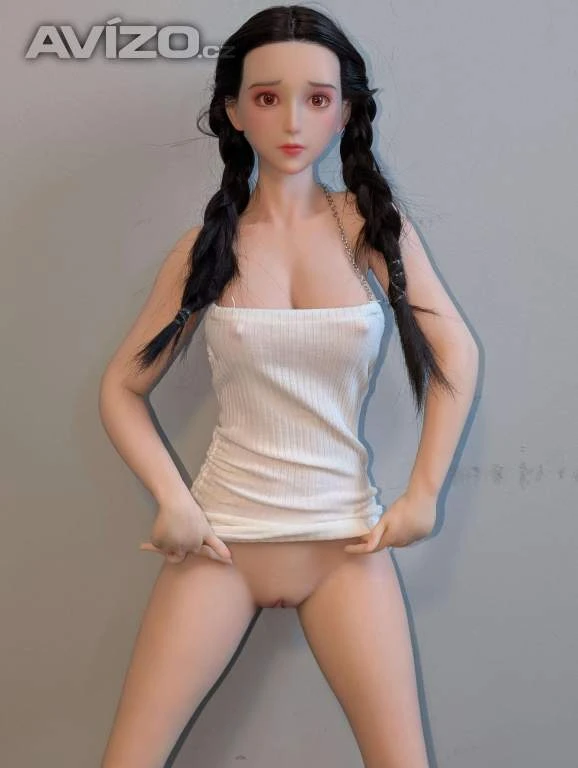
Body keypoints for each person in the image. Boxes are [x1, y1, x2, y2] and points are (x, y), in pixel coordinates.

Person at [98, 5, 479, 767]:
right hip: (222, 547)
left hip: (346, 548)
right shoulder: (208, 248)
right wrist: (172, 500)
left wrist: (424, 494)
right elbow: (120, 388)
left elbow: (455, 354)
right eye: (268, 98)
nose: (294, 120)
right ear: (235, 112)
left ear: (346, 112)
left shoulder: (373, 231)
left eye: (318, 97)